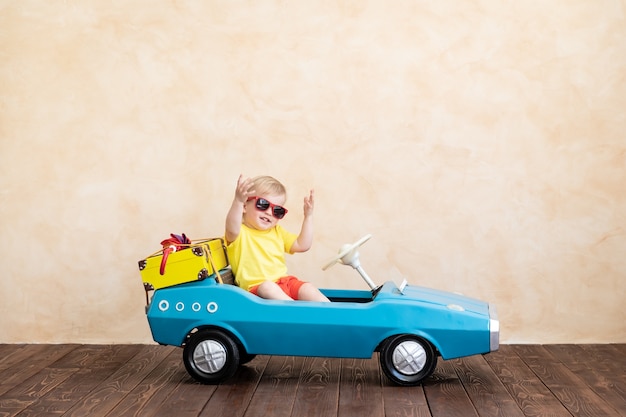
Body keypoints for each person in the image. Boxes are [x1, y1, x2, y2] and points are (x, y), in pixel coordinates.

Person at [225, 175, 330, 302]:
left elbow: (303, 245)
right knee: (268, 287)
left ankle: (333, 313)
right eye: (263, 204)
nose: (269, 212)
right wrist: (238, 200)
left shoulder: (277, 232)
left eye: (277, 210)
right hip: (256, 291)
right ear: (245, 206)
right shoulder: (239, 233)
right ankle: (296, 312)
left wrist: (308, 217)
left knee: (308, 288)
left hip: (284, 283)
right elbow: (231, 227)